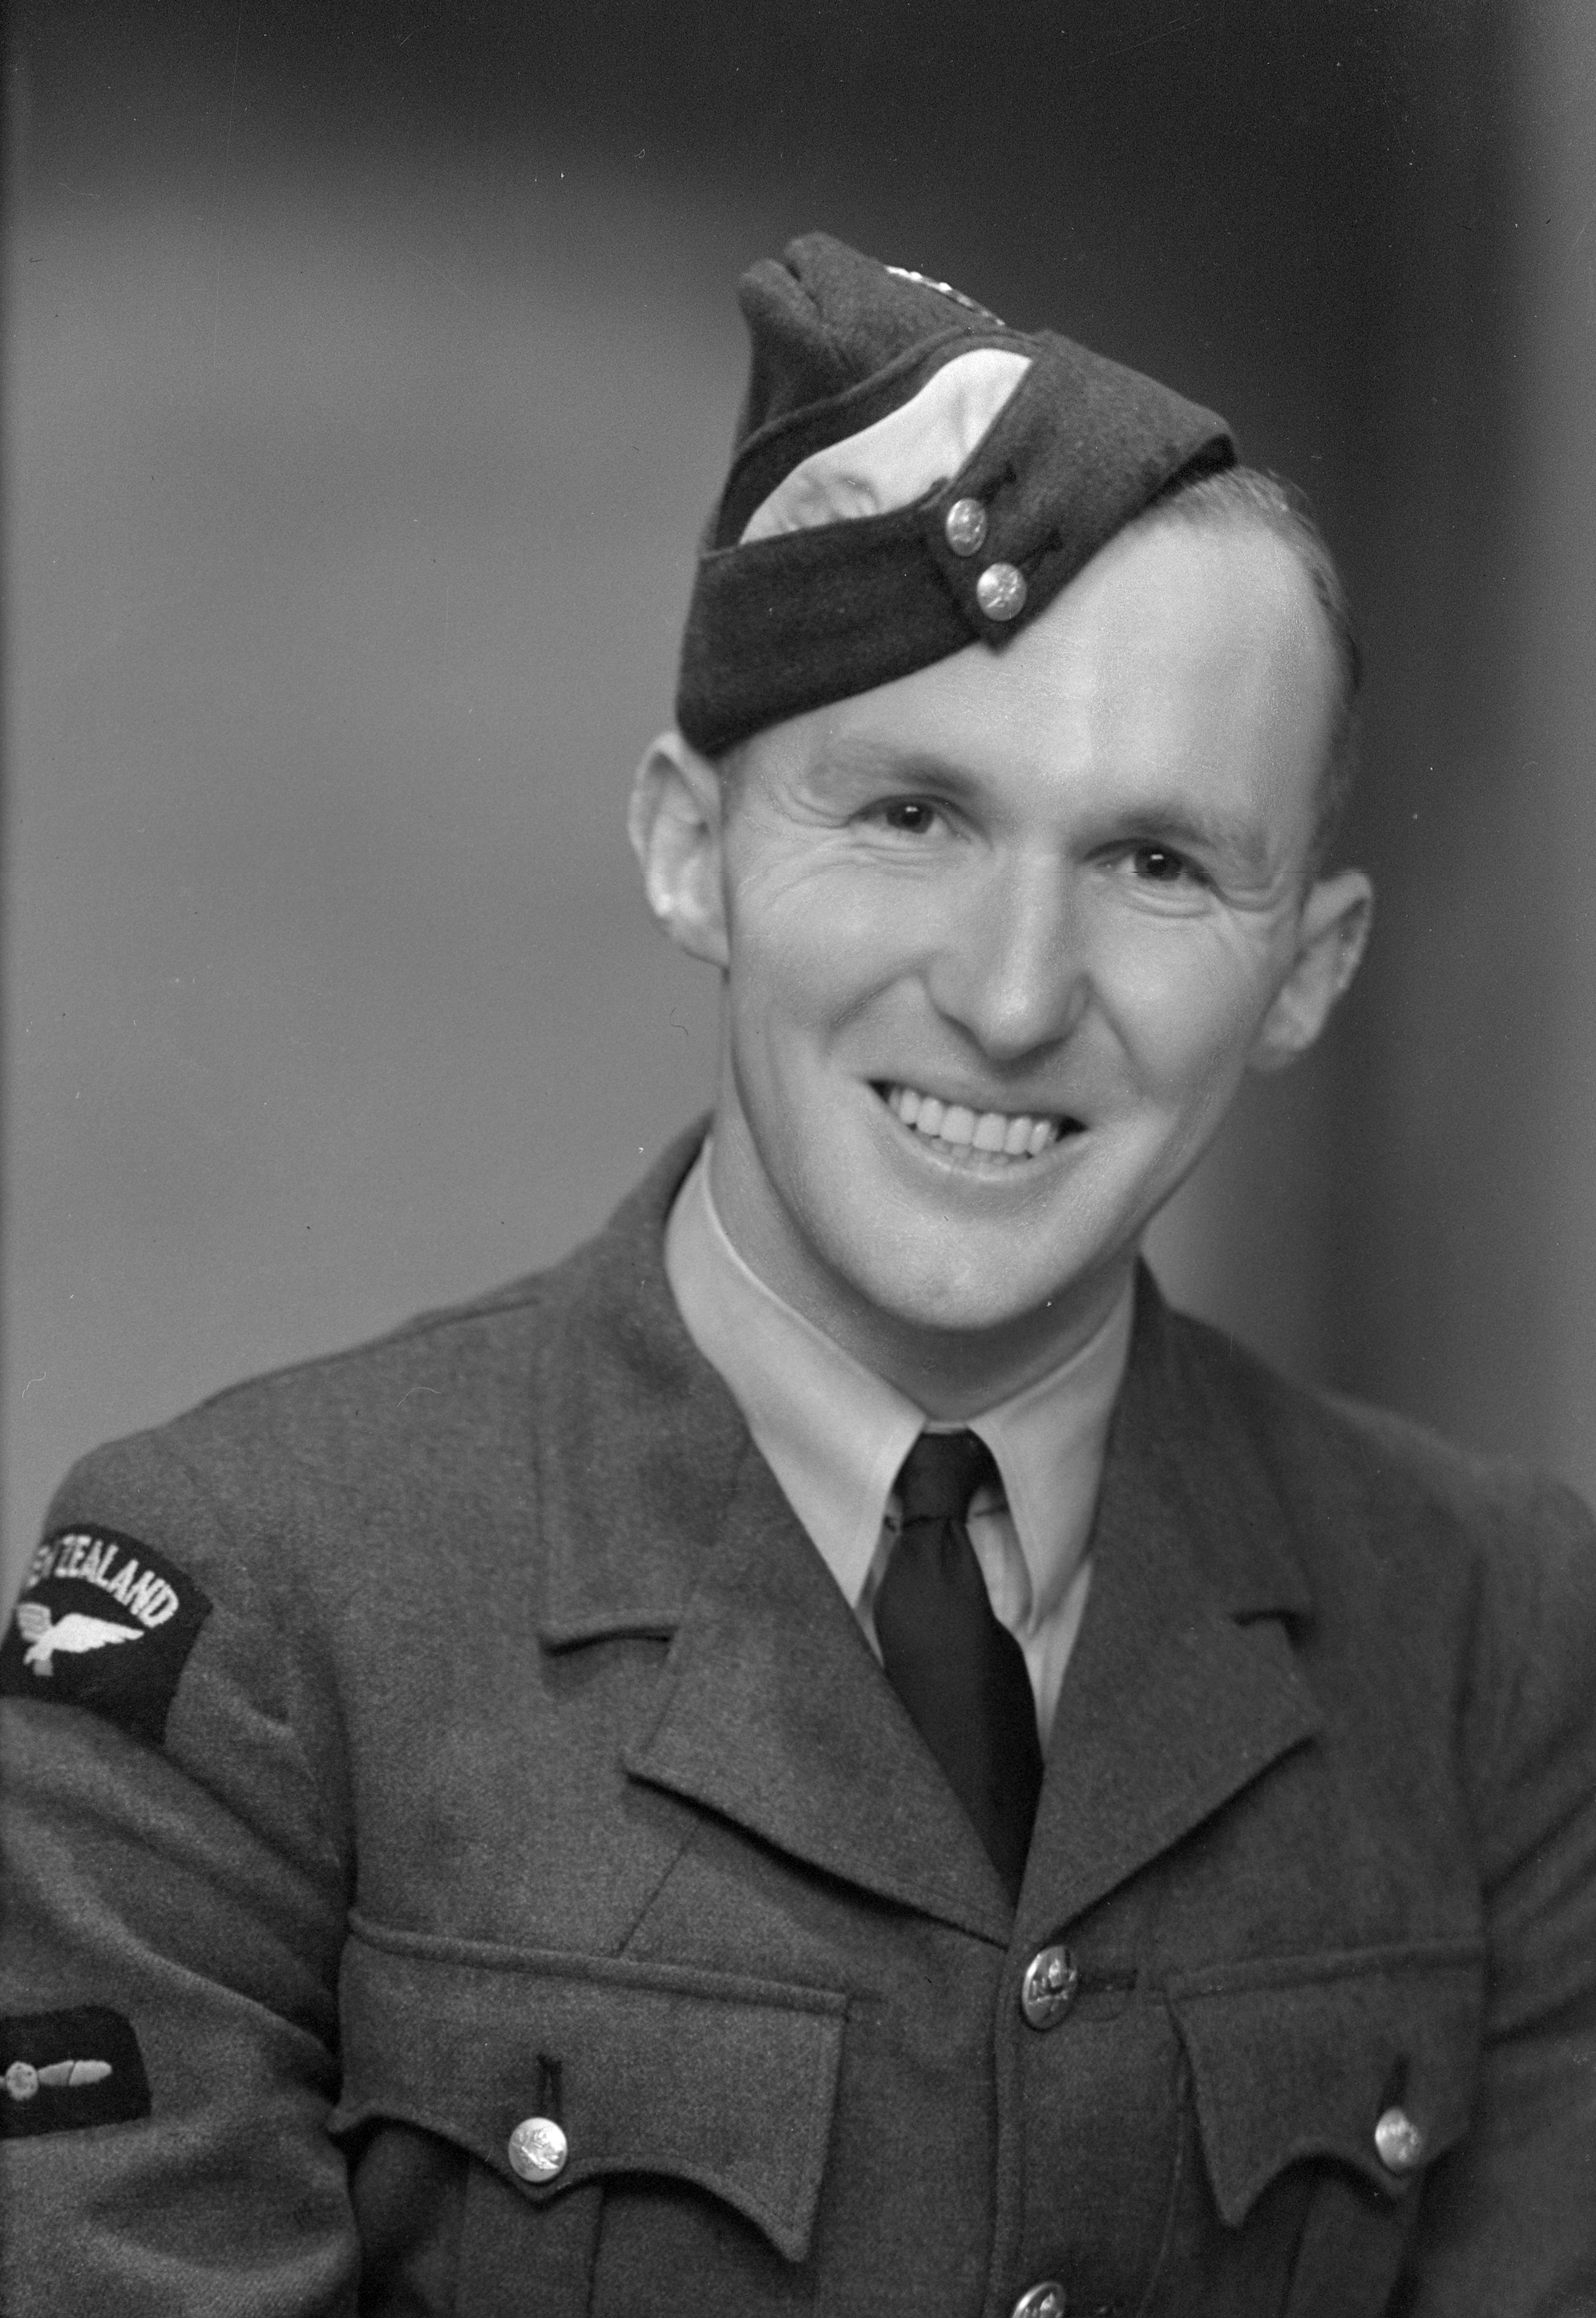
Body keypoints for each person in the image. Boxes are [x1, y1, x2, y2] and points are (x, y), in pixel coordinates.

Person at [2, 232, 1592, 2318]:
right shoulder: (251, 1615)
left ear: (1308, 970)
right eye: (914, 814)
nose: (1015, 995)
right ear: (690, 848)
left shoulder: (1491, 1636)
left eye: (1157, 862)